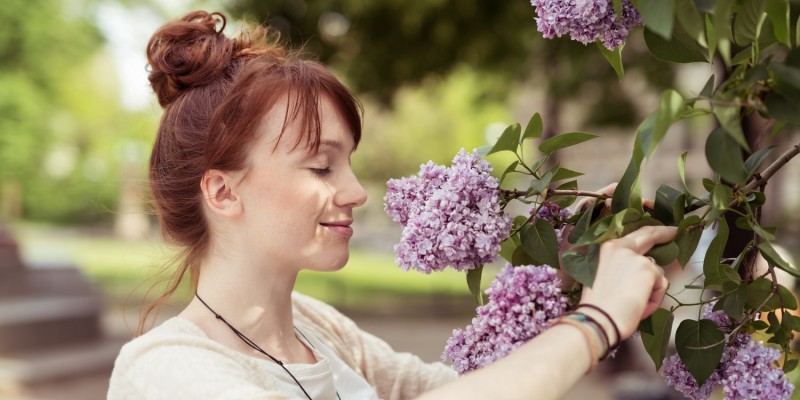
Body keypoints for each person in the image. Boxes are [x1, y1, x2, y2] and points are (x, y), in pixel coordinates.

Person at [107, 10, 677, 400]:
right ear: (223, 191)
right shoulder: (166, 374)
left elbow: (455, 389)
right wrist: (596, 321)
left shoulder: (317, 329)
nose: (356, 192)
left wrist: (574, 277)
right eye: (321, 165)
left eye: (350, 162)